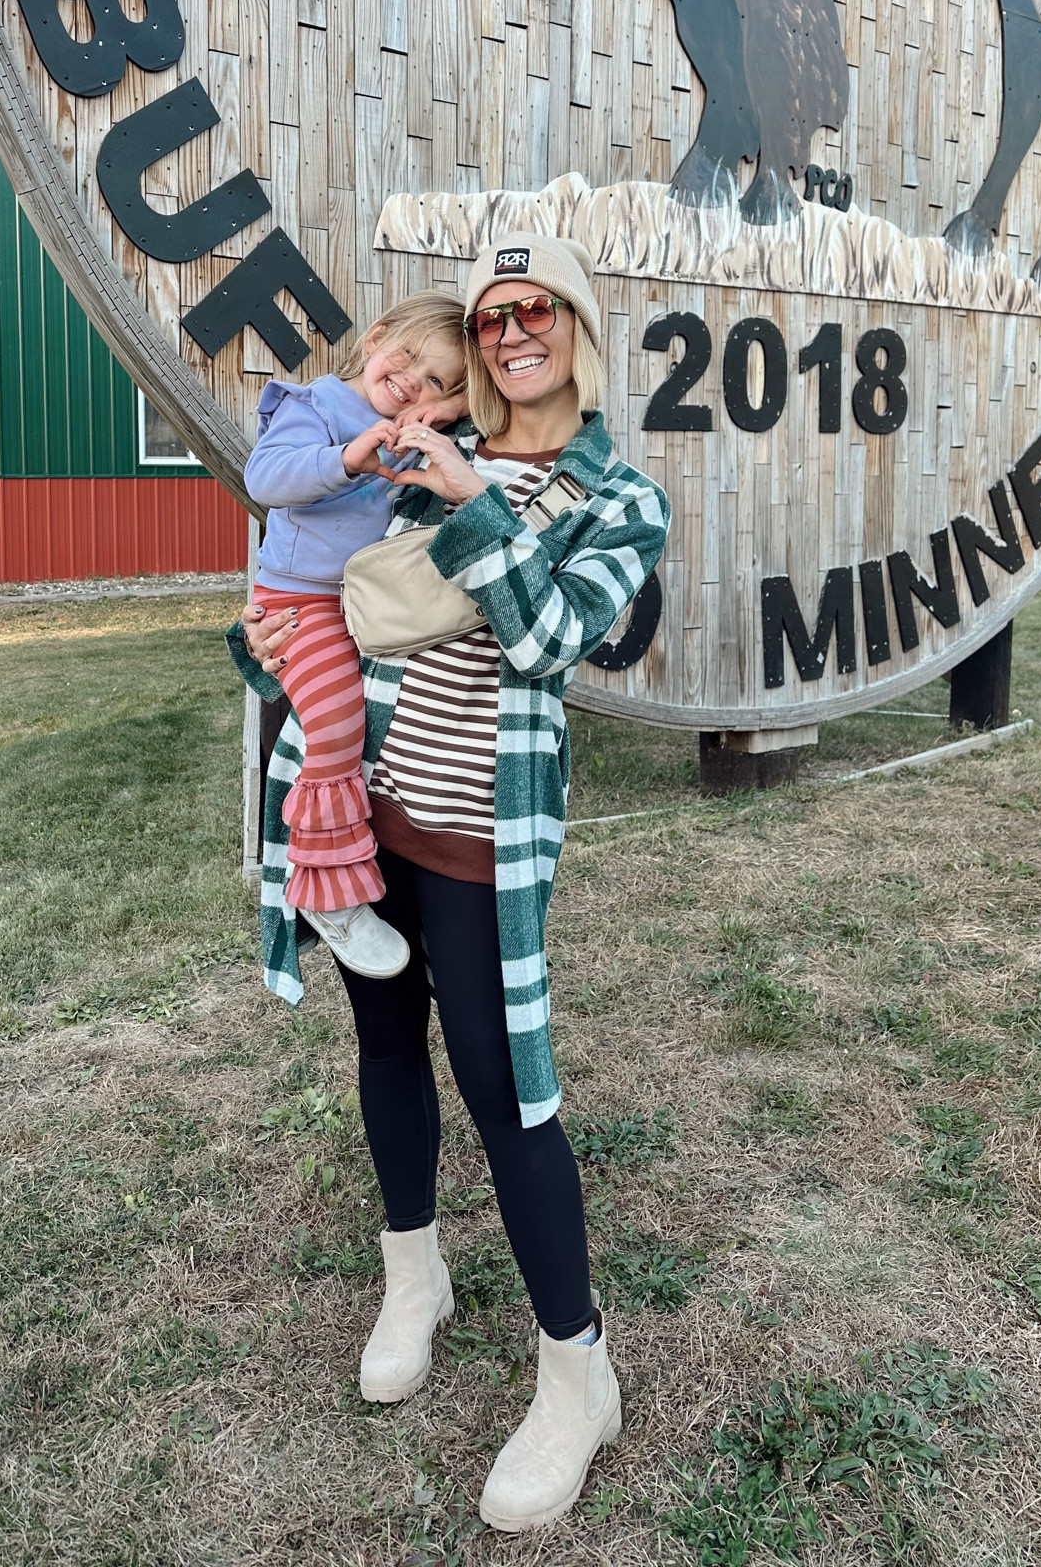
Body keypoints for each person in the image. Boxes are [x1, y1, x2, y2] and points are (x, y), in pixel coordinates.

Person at [230, 237, 670, 1531]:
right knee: (385, 1043)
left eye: (535, 308)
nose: (510, 330)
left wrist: (475, 491)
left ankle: (576, 1372)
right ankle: (414, 1277)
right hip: (370, 809)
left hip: (479, 829)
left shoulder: (618, 498)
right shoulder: (414, 450)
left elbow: (541, 640)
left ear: (576, 330)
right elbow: (338, 604)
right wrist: (262, 645)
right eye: (489, 316)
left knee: (502, 1082)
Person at [243, 291, 468, 980]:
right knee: (336, 726)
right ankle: (324, 892)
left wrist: (444, 418)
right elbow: (266, 476)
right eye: (406, 360)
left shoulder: (421, 433)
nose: (411, 384)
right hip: (297, 601)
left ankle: (379, 885)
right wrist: (343, 458)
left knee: (373, 737)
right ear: (374, 340)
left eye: (437, 383)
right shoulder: (316, 406)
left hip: (362, 609)